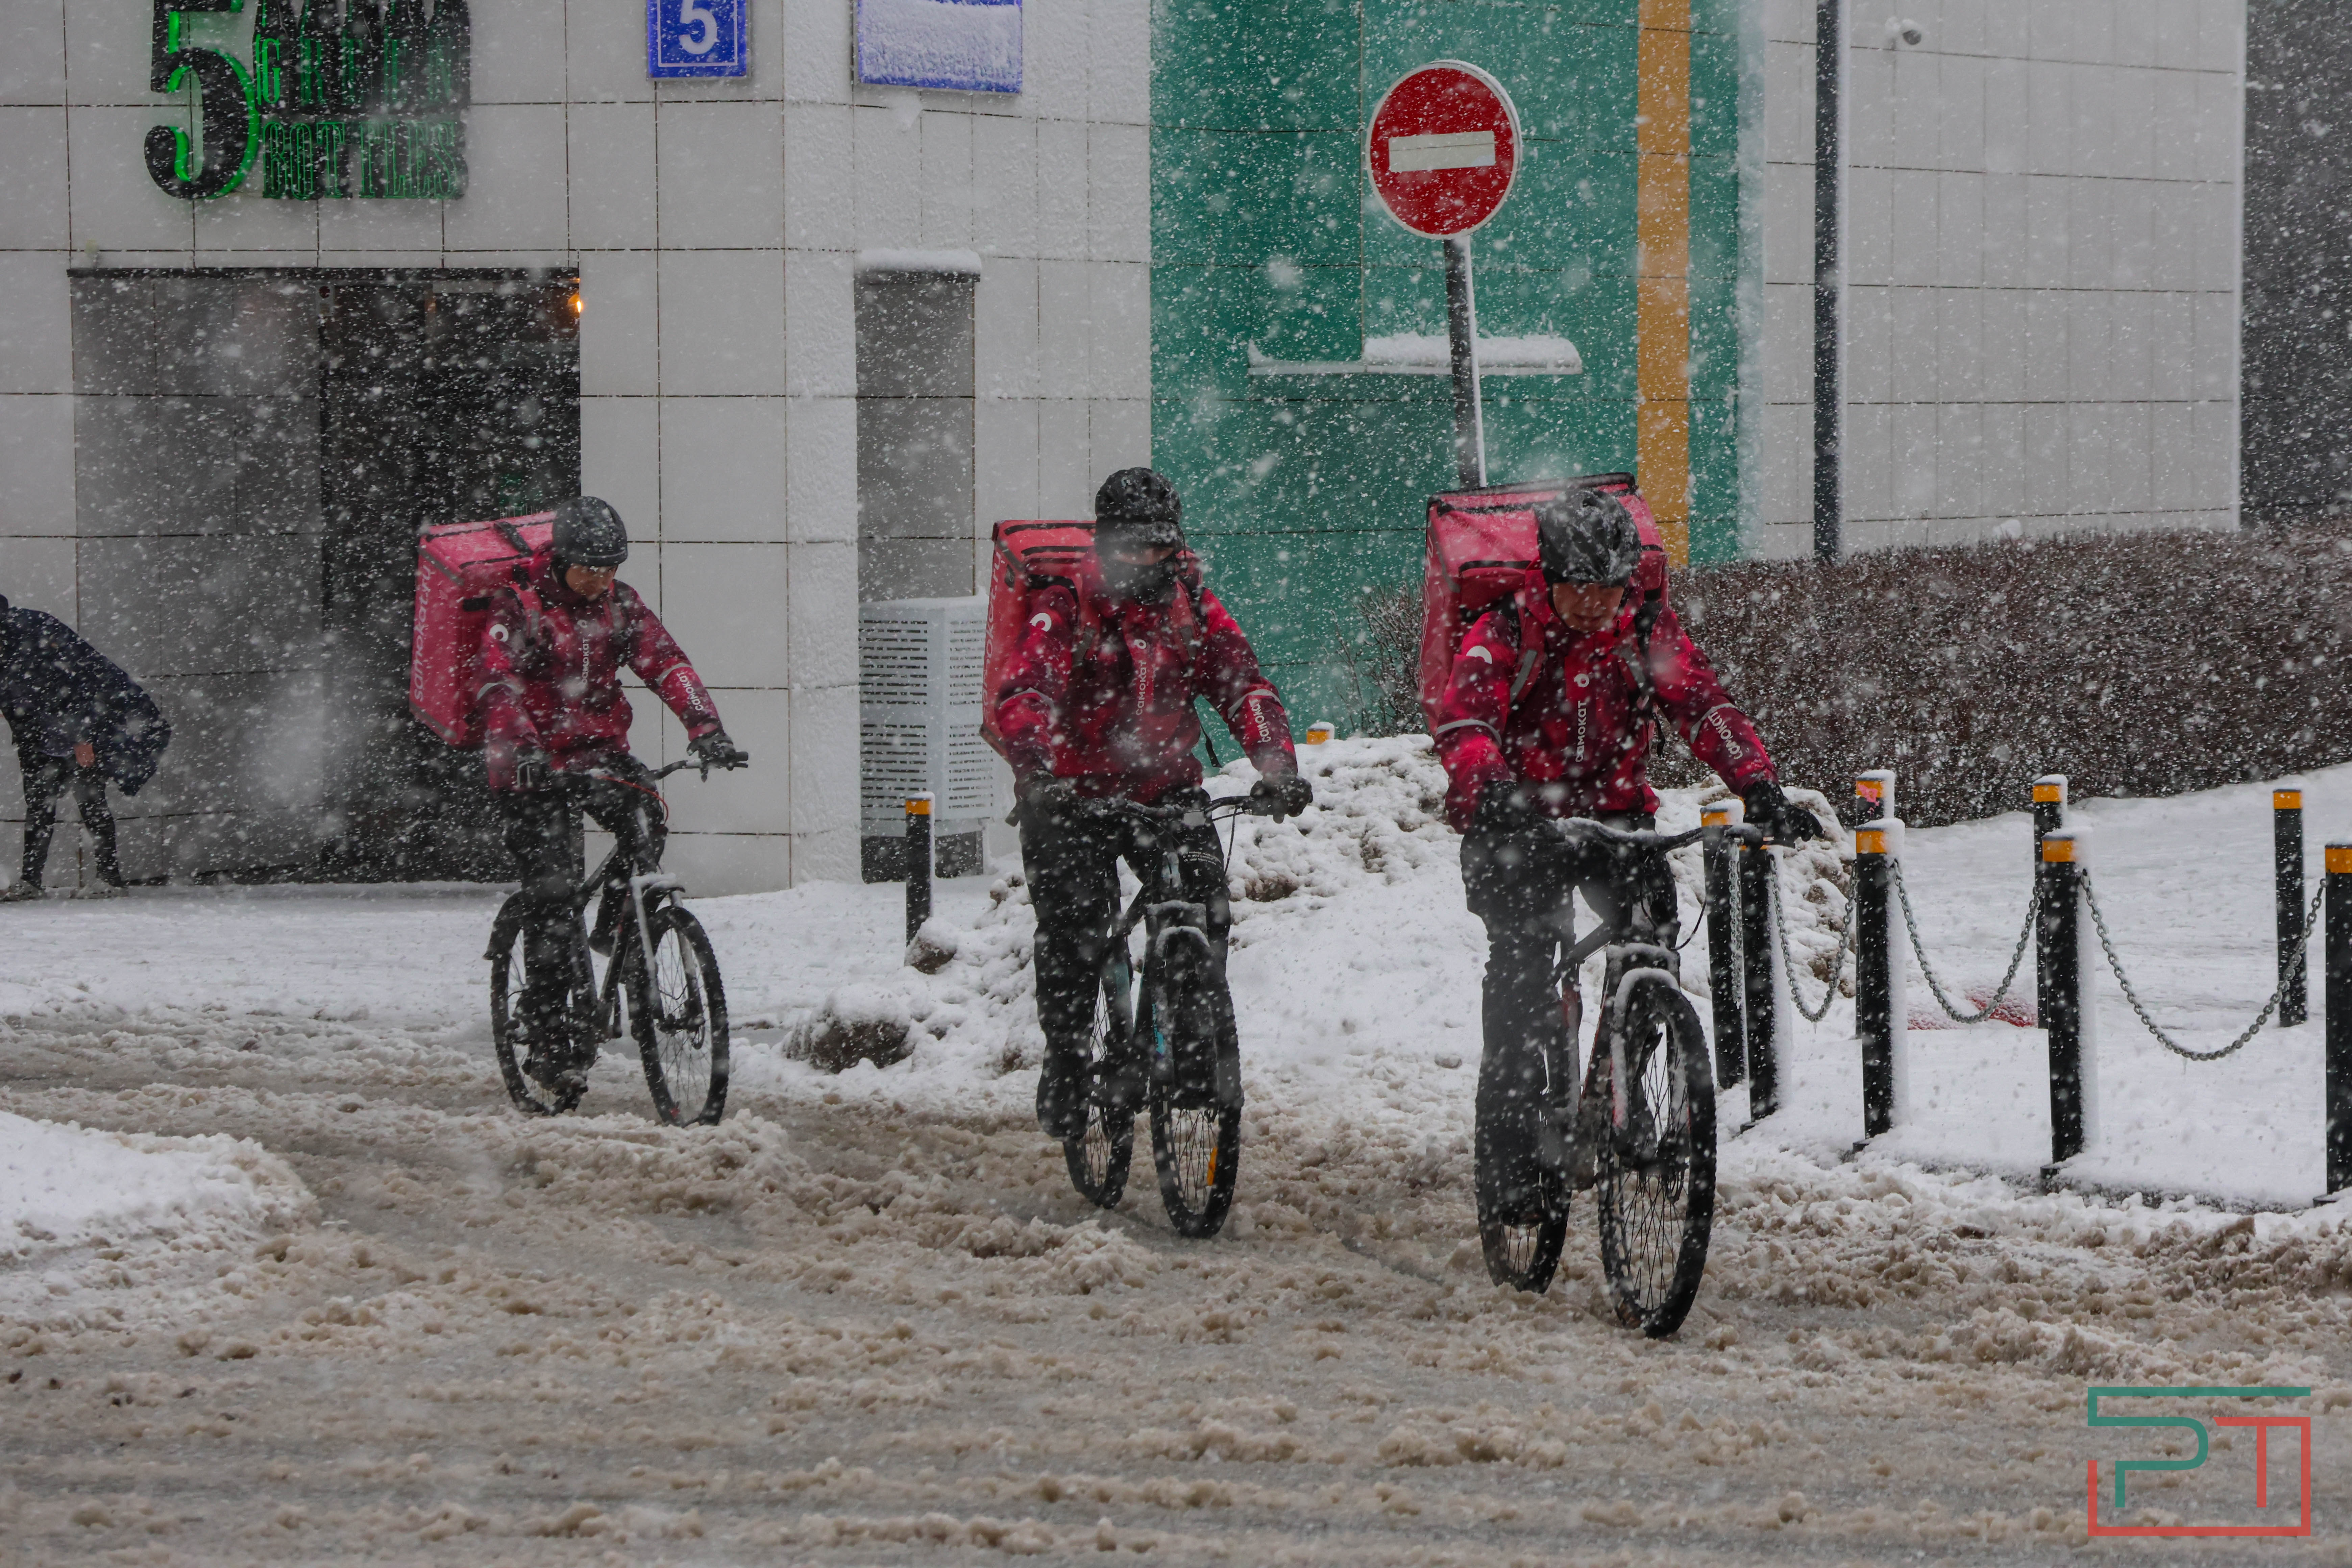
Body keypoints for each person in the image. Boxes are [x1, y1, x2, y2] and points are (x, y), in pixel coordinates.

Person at [1431, 486, 1823, 1200]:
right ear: (1548, 579)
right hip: (1518, 823)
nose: (1596, 605)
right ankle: (1515, 1143)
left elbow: (1702, 704)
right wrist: (1491, 789)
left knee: (1653, 942)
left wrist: (1758, 784)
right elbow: (1465, 724)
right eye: (1581, 589)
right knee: (1523, 969)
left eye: (1610, 590)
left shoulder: (1645, 629)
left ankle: (1624, 1087)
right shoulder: (1504, 632)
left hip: (1618, 817)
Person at [994, 467, 1313, 1138]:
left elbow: (1242, 684)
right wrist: (1039, 770)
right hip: (1071, 794)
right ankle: (1070, 1059)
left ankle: (1193, 1042)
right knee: (1075, 933)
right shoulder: (1067, 601)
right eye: (1135, 548)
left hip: (1166, 790)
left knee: (1207, 903)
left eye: (1162, 548)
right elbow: (1028, 692)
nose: (1150, 562)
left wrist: (1276, 762)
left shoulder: (1189, 603)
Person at [478, 497, 749, 1083]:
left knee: (648, 811)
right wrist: (523, 750)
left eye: (612, 567)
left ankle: (620, 933)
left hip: (598, 752)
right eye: (590, 568)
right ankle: (552, 1032)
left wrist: (707, 728)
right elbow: (498, 685)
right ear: (564, 559)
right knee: (552, 895)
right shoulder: (521, 605)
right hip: (530, 767)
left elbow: (667, 663)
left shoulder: (620, 606)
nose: (602, 579)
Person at [0, 595, 170, 900]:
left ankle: (110, 879)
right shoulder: (13, 636)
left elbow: (75, 682)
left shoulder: (27, 631)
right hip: (40, 738)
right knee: (40, 808)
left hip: (76, 735)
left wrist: (83, 738)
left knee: (91, 804)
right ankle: (31, 882)